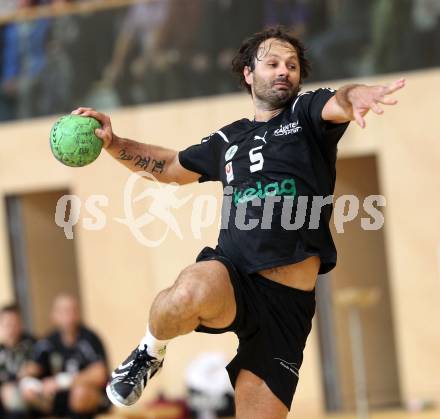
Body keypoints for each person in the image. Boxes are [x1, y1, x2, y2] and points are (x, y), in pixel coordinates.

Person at [72, 26, 405, 419]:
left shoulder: (306, 114)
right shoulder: (227, 140)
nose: (284, 71)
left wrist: (357, 95)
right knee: (186, 294)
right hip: (232, 274)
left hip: (287, 308)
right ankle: (149, 351)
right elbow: (168, 167)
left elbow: (340, 100)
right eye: (273, 63)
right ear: (249, 73)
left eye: (292, 65)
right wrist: (114, 144)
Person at [21, 294, 108, 419]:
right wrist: (30, 384)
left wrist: (62, 381)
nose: (68, 315)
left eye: (72, 310)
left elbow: (100, 374)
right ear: (53, 315)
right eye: (63, 311)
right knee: (26, 393)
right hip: (58, 399)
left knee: (80, 393)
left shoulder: (89, 338)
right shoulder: (47, 341)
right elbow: (31, 369)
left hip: (87, 399)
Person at [0, 304, 36, 419]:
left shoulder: (32, 345)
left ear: (21, 324)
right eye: (8, 324)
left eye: (15, 323)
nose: (12, 328)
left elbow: (36, 370)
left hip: (28, 394)